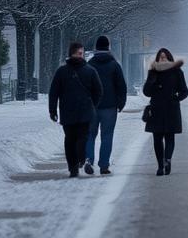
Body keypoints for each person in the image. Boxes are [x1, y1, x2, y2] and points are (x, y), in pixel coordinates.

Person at [48, 42, 103, 178]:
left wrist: (53, 110)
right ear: (72, 53)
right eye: (79, 53)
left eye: (82, 53)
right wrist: (92, 104)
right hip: (78, 111)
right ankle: (78, 161)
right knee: (75, 138)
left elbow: (54, 92)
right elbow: (98, 91)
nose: (81, 55)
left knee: (73, 139)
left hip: (72, 110)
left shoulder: (63, 71)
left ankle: (74, 166)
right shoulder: (89, 70)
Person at [83, 35, 128, 175]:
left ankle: (89, 159)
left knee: (90, 135)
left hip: (92, 106)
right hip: (110, 106)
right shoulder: (114, 65)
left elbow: (84, 86)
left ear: (96, 47)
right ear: (108, 47)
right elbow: (121, 86)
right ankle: (104, 165)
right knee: (107, 136)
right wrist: (120, 103)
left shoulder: (89, 65)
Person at [142, 48, 188, 176]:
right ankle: (160, 166)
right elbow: (146, 92)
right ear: (157, 59)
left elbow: (184, 91)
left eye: (165, 57)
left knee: (169, 137)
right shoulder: (153, 72)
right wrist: (153, 83)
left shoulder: (177, 72)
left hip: (171, 109)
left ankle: (167, 159)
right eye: (160, 57)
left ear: (169, 58)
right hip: (156, 109)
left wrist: (176, 98)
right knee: (157, 139)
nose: (162, 59)